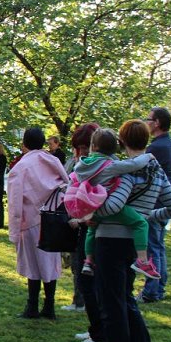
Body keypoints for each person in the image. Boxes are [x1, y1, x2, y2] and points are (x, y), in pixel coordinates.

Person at [87, 119, 171, 342]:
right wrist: (145, 216)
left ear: (122, 141)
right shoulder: (157, 170)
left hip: (111, 241)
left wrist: (91, 214)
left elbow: (112, 206)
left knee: (111, 302)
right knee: (126, 299)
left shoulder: (126, 171)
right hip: (132, 244)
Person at [69, 129, 158, 279]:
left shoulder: (81, 166)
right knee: (141, 223)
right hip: (110, 206)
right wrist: (148, 156)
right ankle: (142, 260)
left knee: (91, 231)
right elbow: (134, 164)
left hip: (91, 206)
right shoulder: (110, 166)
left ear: (93, 147)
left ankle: (88, 260)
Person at [7, 128, 68, 320]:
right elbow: (66, 184)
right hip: (54, 217)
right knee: (50, 261)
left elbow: (15, 202)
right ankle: (48, 306)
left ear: (24, 143)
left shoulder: (21, 167)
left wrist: (14, 231)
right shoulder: (53, 160)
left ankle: (33, 306)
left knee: (32, 264)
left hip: (31, 219)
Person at [139, 106, 171, 303]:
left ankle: (152, 290)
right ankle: (158, 287)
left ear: (157, 123)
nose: (147, 121)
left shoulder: (157, 147)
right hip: (163, 202)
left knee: (152, 247)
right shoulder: (166, 144)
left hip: (155, 203)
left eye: (149, 118)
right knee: (158, 246)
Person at [62, 123, 99, 314]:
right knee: (77, 264)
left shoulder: (99, 166)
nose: (83, 151)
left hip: (89, 223)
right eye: (80, 147)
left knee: (86, 266)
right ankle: (79, 300)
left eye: (86, 147)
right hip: (75, 220)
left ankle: (83, 303)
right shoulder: (75, 161)